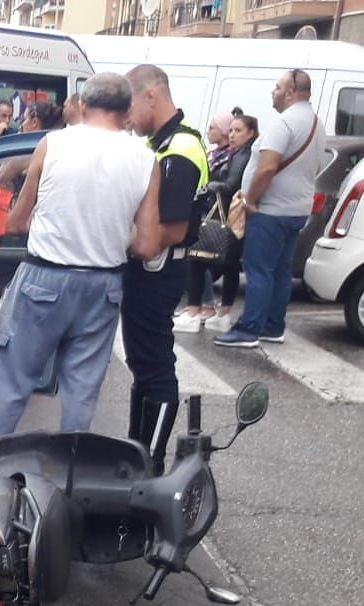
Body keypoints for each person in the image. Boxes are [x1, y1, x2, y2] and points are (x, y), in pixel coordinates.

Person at [0, 73, 163, 442]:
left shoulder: (52, 145)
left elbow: (15, 223)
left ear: (84, 106)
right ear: (126, 111)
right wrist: (110, 233)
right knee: (81, 398)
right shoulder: (145, 158)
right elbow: (147, 246)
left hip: (44, 281)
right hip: (103, 288)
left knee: (8, 388)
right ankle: (70, 480)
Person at [122, 64, 209, 474]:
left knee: (155, 367)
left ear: (151, 96)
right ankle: (136, 453)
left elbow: (170, 229)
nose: (126, 116)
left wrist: (127, 238)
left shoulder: (181, 148)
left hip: (158, 271)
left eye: (130, 105)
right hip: (149, 271)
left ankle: (149, 463)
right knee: (142, 365)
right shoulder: (163, 143)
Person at [213, 69, 325, 349]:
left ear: (290, 92)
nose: (272, 92)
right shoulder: (315, 123)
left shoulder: (284, 123)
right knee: (280, 271)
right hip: (297, 209)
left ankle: (249, 328)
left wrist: (250, 199)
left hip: (270, 211)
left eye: (277, 87)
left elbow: (267, 167)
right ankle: (274, 326)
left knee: (258, 270)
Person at [175, 113, 258, 333]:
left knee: (199, 259)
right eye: (230, 130)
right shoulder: (238, 154)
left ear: (250, 133)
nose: (232, 135)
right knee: (226, 265)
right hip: (231, 216)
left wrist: (209, 185)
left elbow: (231, 184)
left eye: (238, 131)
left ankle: (195, 311)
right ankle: (222, 312)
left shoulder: (243, 155)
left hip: (228, 214)